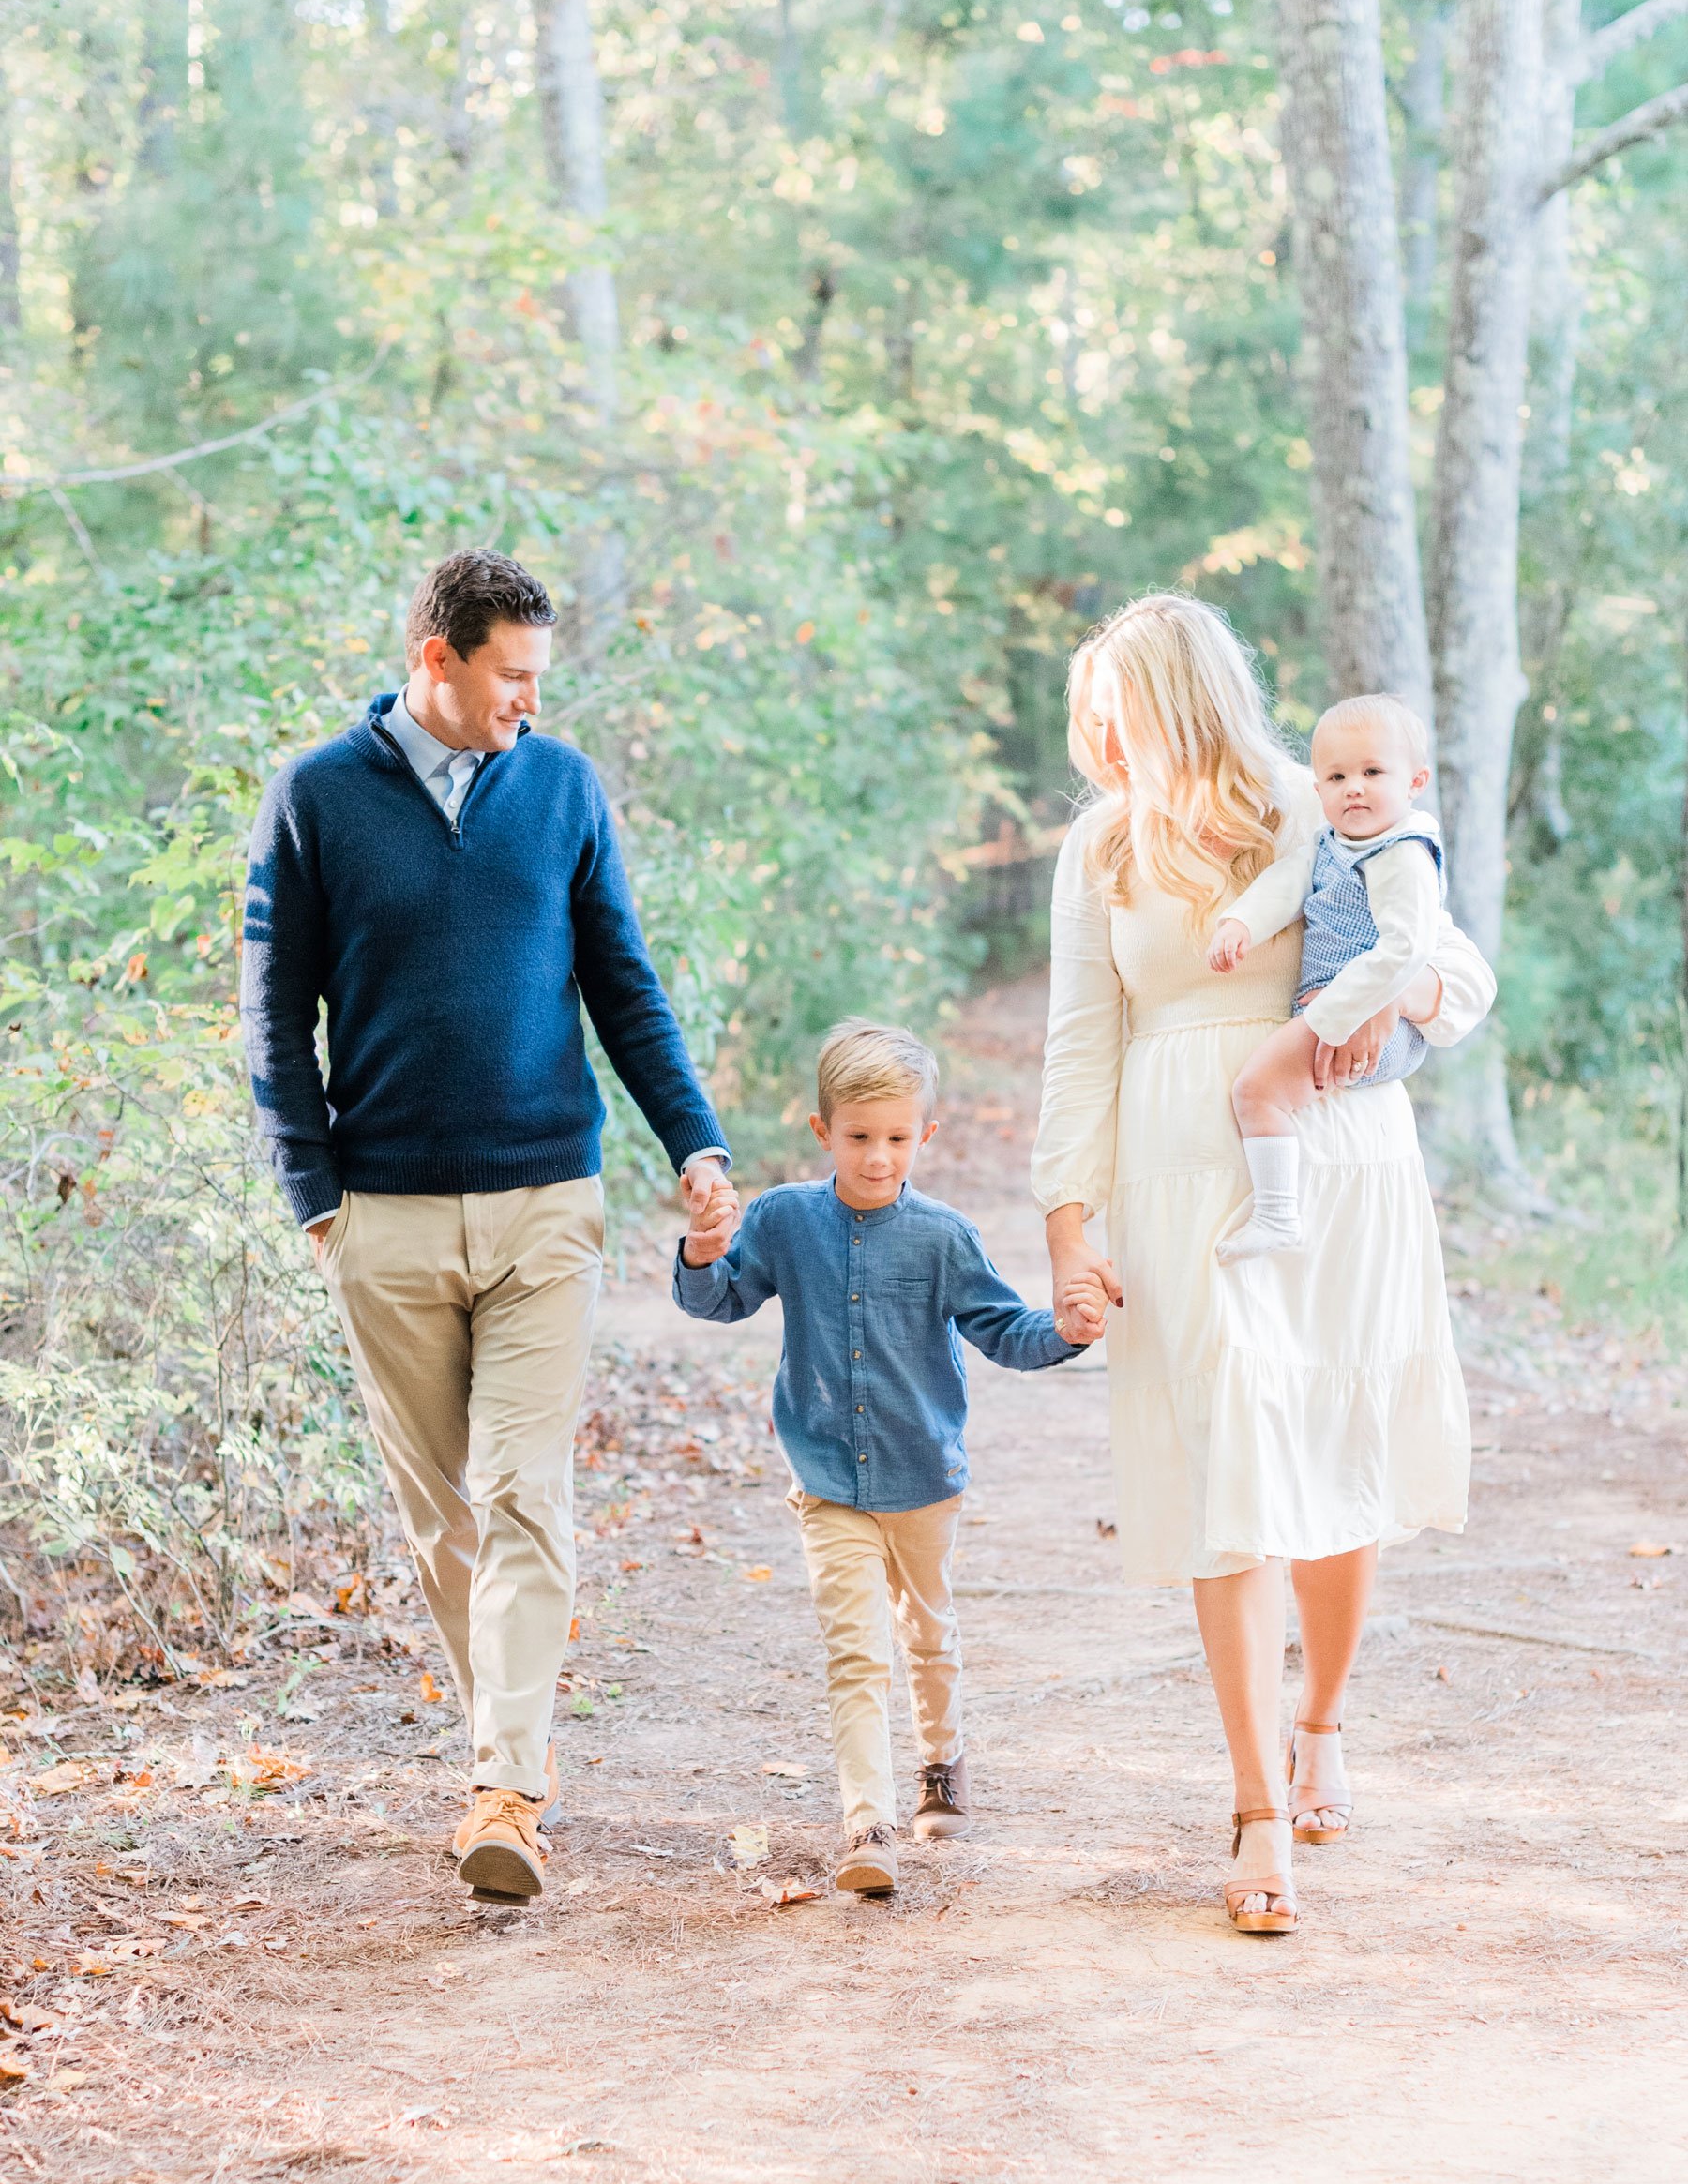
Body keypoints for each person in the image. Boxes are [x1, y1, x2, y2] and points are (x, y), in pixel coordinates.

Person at [241, 548, 739, 1906]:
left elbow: (623, 984)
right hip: (385, 1216)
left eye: (537, 677)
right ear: (437, 661)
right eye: (509, 676)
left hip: (543, 1206)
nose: (528, 701)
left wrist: (691, 1140)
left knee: (525, 1491)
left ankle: (504, 1786)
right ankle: (504, 1757)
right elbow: (273, 1020)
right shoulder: (318, 797)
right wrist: (317, 1203)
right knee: (445, 1523)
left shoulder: (562, 787)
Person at [1032, 595, 1495, 1935]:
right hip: (1178, 1169)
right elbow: (1079, 1039)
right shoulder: (1101, 846)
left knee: (1337, 1451)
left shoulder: (1320, 798)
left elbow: (1458, 976)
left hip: (1336, 1155)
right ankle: (1251, 1804)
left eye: (1110, 714)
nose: (1098, 741)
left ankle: (1324, 1721)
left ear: (1175, 698)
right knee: (1223, 1464)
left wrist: (1380, 1006)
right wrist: (1070, 1218)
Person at [674, 1019, 1086, 1897]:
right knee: (856, 1650)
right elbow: (723, 1299)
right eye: (859, 1137)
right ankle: (868, 1822)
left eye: (897, 1139)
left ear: (925, 1137)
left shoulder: (942, 1237)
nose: (876, 1157)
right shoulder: (787, 1220)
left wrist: (1066, 1329)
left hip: (923, 1477)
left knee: (926, 1633)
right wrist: (703, 1255)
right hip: (826, 1478)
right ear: (823, 1131)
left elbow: (1003, 1329)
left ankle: (944, 1764)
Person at [1208, 692, 1443, 1262]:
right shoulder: (1333, 843)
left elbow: (1406, 947)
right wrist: (1241, 922)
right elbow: (1289, 882)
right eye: (1336, 777)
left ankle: (1277, 1215)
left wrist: (1336, 1016)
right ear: (1319, 792)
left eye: (1371, 772)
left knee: (1255, 1090)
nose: (1353, 787)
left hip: (1366, 1027)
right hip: (1338, 1015)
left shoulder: (1401, 854)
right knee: (1270, 1091)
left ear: (1415, 781)